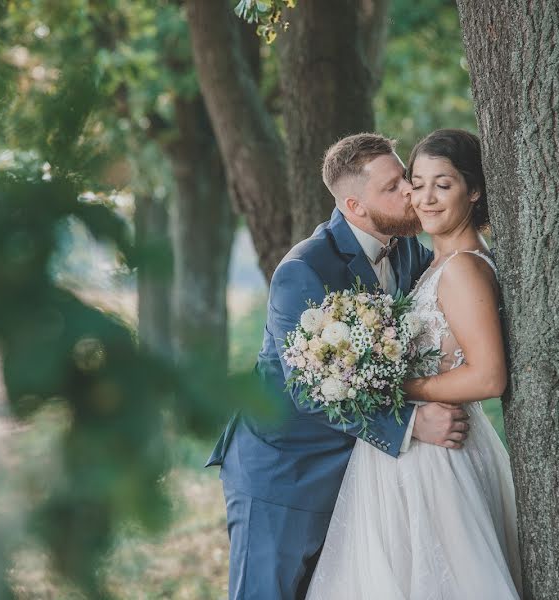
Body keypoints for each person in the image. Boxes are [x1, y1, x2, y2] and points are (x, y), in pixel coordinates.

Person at [206, 133, 472, 599]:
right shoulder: (303, 271)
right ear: (354, 205)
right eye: (392, 188)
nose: (409, 192)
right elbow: (307, 392)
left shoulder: (407, 247)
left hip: (358, 477)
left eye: (404, 179)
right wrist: (410, 423)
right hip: (283, 474)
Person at [305, 129, 523, 599]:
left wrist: (405, 388)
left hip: (440, 454)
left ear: (475, 190)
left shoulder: (463, 268)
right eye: (415, 181)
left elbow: (488, 375)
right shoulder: (428, 263)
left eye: (442, 185)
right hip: (411, 455)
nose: (421, 197)